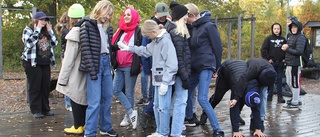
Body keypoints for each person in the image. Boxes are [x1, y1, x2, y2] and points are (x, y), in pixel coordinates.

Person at [118, 19, 178, 137]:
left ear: (153, 31)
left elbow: (172, 64)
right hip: (156, 80)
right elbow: (145, 50)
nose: (148, 38)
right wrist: (129, 48)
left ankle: (164, 132)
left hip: (164, 81)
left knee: (163, 108)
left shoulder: (165, 41)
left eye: (147, 35)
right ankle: (159, 130)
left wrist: (166, 83)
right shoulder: (156, 41)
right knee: (156, 106)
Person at [183, 3, 224, 137]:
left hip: (206, 65)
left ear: (192, 15)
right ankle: (189, 117)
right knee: (185, 92)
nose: (185, 19)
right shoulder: (193, 28)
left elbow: (217, 47)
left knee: (202, 98)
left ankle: (217, 129)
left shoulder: (209, 26)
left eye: (186, 16)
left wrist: (217, 68)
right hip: (195, 67)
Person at [78, 0, 118, 136]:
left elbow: (108, 47)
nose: (107, 17)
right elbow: (86, 50)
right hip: (95, 64)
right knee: (94, 102)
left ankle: (105, 127)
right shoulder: (86, 25)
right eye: (106, 13)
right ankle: (89, 132)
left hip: (107, 63)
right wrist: (92, 70)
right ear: (99, 10)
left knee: (107, 97)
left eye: (110, 15)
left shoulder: (108, 28)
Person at [209, 60, 266, 137]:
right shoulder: (237, 87)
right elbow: (233, 107)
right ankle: (205, 114)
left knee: (239, 100)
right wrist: (236, 131)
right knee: (217, 97)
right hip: (226, 69)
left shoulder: (255, 89)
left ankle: (237, 118)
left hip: (239, 75)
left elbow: (256, 108)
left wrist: (258, 129)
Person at [55, 3, 86, 135]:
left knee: (75, 96)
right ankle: (83, 124)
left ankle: (78, 125)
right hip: (86, 68)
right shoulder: (89, 28)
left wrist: (61, 80)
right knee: (84, 96)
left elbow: (68, 59)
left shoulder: (74, 32)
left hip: (75, 70)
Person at [139, 2, 171, 128]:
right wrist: (147, 69)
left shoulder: (168, 25)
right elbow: (145, 49)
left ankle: (151, 115)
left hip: (163, 66)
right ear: (155, 14)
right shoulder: (150, 26)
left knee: (158, 95)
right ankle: (147, 112)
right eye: (161, 16)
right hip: (154, 66)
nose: (163, 18)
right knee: (156, 95)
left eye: (165, 15)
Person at [21, 11, 58, 119]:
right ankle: (36, 110)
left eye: (45, 20)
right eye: (41, 20)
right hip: (32, 62)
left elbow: (55, 43)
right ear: (36, 20)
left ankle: (45, 108)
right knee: (35, 86)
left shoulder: (46, 31)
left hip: (45, 62)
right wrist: (37, 30)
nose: (44, 22)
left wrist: (50, 31)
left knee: (45, 86)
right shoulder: (28, 30)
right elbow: (29, 44)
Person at [110, 7, 141, 129]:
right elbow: (113, 46)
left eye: (129, 15)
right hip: (119, 65)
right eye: (125, 15)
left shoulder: (138, 31)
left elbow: (140, 48)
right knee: (115, 90)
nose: (126, 17)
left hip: (130, 66)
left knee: (129, 92)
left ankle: (128, 117)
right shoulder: (120, 30)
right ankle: (130, 111)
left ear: (133, 16)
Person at [231, 58, 277, 132]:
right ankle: (238, 115)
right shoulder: (252, 70)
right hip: (254, 73)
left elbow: (270, 87)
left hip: (264, 76)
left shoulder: (272, 74)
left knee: (262, 97)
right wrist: (236, 98)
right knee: (246, 94)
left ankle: (259, 120)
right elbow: (243, 80)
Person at [165, 1, 190, 136]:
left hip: (179, 72)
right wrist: (185, 76)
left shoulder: (173, 29)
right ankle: (176, 132)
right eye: (186, 15)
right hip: (181, 73)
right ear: (180, 16)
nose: (187, 17)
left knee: (175, 101)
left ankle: (173, 129)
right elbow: (179, 57)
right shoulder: (177, 32)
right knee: (181, 102)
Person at [281, 20, 306, 109]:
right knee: (289, 82)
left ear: (298, 28)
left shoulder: (300, 37)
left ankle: (295, 102)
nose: (293, 29)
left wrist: (286, 49)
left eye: (295, 27)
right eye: (292, 27)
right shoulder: (291, 36)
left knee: (294, 83)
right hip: (289, 63)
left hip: (295, 64)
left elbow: (299, 51)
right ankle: (296, 98)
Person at [260, 22, 287, 103]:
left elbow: (287, 49)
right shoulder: (269, 39)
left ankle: (280, 97)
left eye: (278, 29)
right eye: (275, 29)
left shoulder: (283, 39)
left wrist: (285, 58)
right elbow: (263, 50)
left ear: (280, 29)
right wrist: (268, 59)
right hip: (272, 63)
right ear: (272, 29)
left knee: (279, 80)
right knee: (271, 79)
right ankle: (269, 96)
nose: (276, 30)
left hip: (280, 63)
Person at [54, 11, 72, 112]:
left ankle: (69, 103)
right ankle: (68, 103)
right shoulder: (66, 31)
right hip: (66, 57)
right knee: (67, 80)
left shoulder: (66, 29)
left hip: (66, 56)